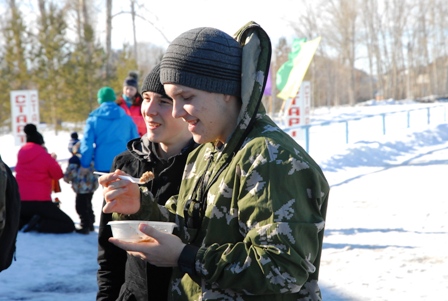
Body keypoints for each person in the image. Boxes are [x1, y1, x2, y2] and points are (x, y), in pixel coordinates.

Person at [99, 22, 330, 301]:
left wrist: (185, 257)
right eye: (171, 99)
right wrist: (140, 206)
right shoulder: (206, 151)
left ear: (225, 90)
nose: (176, 112)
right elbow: (189, 226)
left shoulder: (270, 157)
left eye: (185, 97)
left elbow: (283, 268)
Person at [96, 63, 198, 300]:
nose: (149, 110)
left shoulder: (206, 166)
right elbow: (109, 251)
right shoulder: (126, 164)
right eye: (146, 98)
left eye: (164, 101)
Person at [16, 123, 75, 234]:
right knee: (68, 225)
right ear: (41, 142)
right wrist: (52, 160)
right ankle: (39, 223)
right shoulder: (44, 155)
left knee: (24, 215)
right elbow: (58, 175)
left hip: (21, 201)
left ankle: (25, 221)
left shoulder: (21, 152)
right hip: (40, 201)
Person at [80, 86, 139, 174]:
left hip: (102, 164)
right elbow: (136, 142)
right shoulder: (127, 118)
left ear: (99, 100)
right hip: (124, 163)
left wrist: (85, 164)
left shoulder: (93, 119)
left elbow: (87, 145)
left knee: (107, 187)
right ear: (113, 98)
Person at [63, 133, 98, 234]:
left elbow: (71, 172)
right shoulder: (90, 157)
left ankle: (85, 225)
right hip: (91, 186)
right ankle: (91, 223)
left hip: (81, 187)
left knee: (81, 206)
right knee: (88, 204)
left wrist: (67, 178)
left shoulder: (74, 159)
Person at [116, 71, 146, 137]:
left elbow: (146, 121)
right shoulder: (117, 104)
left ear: (136, 90)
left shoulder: (142, 103)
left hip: (139, 139)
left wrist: (128, 119)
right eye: (126, 88)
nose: (128, 91)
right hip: (122, 139)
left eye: (131, 89)